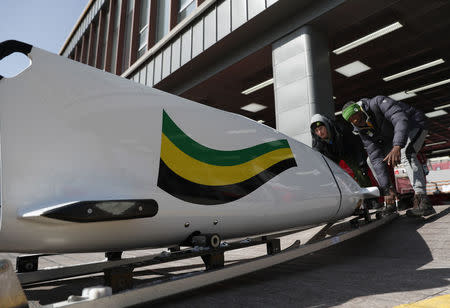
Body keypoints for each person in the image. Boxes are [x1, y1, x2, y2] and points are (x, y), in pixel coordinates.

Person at [341, 96, 435, 217]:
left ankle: (423, 200)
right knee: (371, 160)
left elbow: (400, 119)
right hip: (392, 137)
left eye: (355, 116)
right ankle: (392, 198)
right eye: (351, 120)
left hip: (414, 124)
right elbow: (375, 156)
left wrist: (397, 146)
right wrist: (386, 188)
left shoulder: (378, 103)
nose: (355, 121)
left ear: (359, 110)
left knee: (406, 152)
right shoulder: (361, 130)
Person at [310, 114, 377, 202]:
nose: (320, 132)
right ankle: (353, 202)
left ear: (326, 125)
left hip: (348, 151)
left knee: (360, 172)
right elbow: (319, 161)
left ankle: (371, 199)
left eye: (321, 128)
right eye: (316, 130)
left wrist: (361, 162)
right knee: (337, 178)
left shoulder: (341, 129)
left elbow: (357, 146)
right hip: (333, 157)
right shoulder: (317, 144)